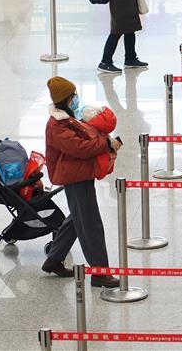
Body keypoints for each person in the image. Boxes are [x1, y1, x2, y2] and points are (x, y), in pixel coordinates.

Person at [42, 76, 120, 286]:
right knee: (90, 223)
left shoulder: (68, 118)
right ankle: (100, 273)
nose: (76, 99)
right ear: (66, 100)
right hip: (74, 175)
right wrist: (105, 143)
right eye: (73, 96)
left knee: (78, 217)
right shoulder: (57, 125)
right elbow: (80, 149)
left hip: (79, 172)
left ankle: (54, 259)